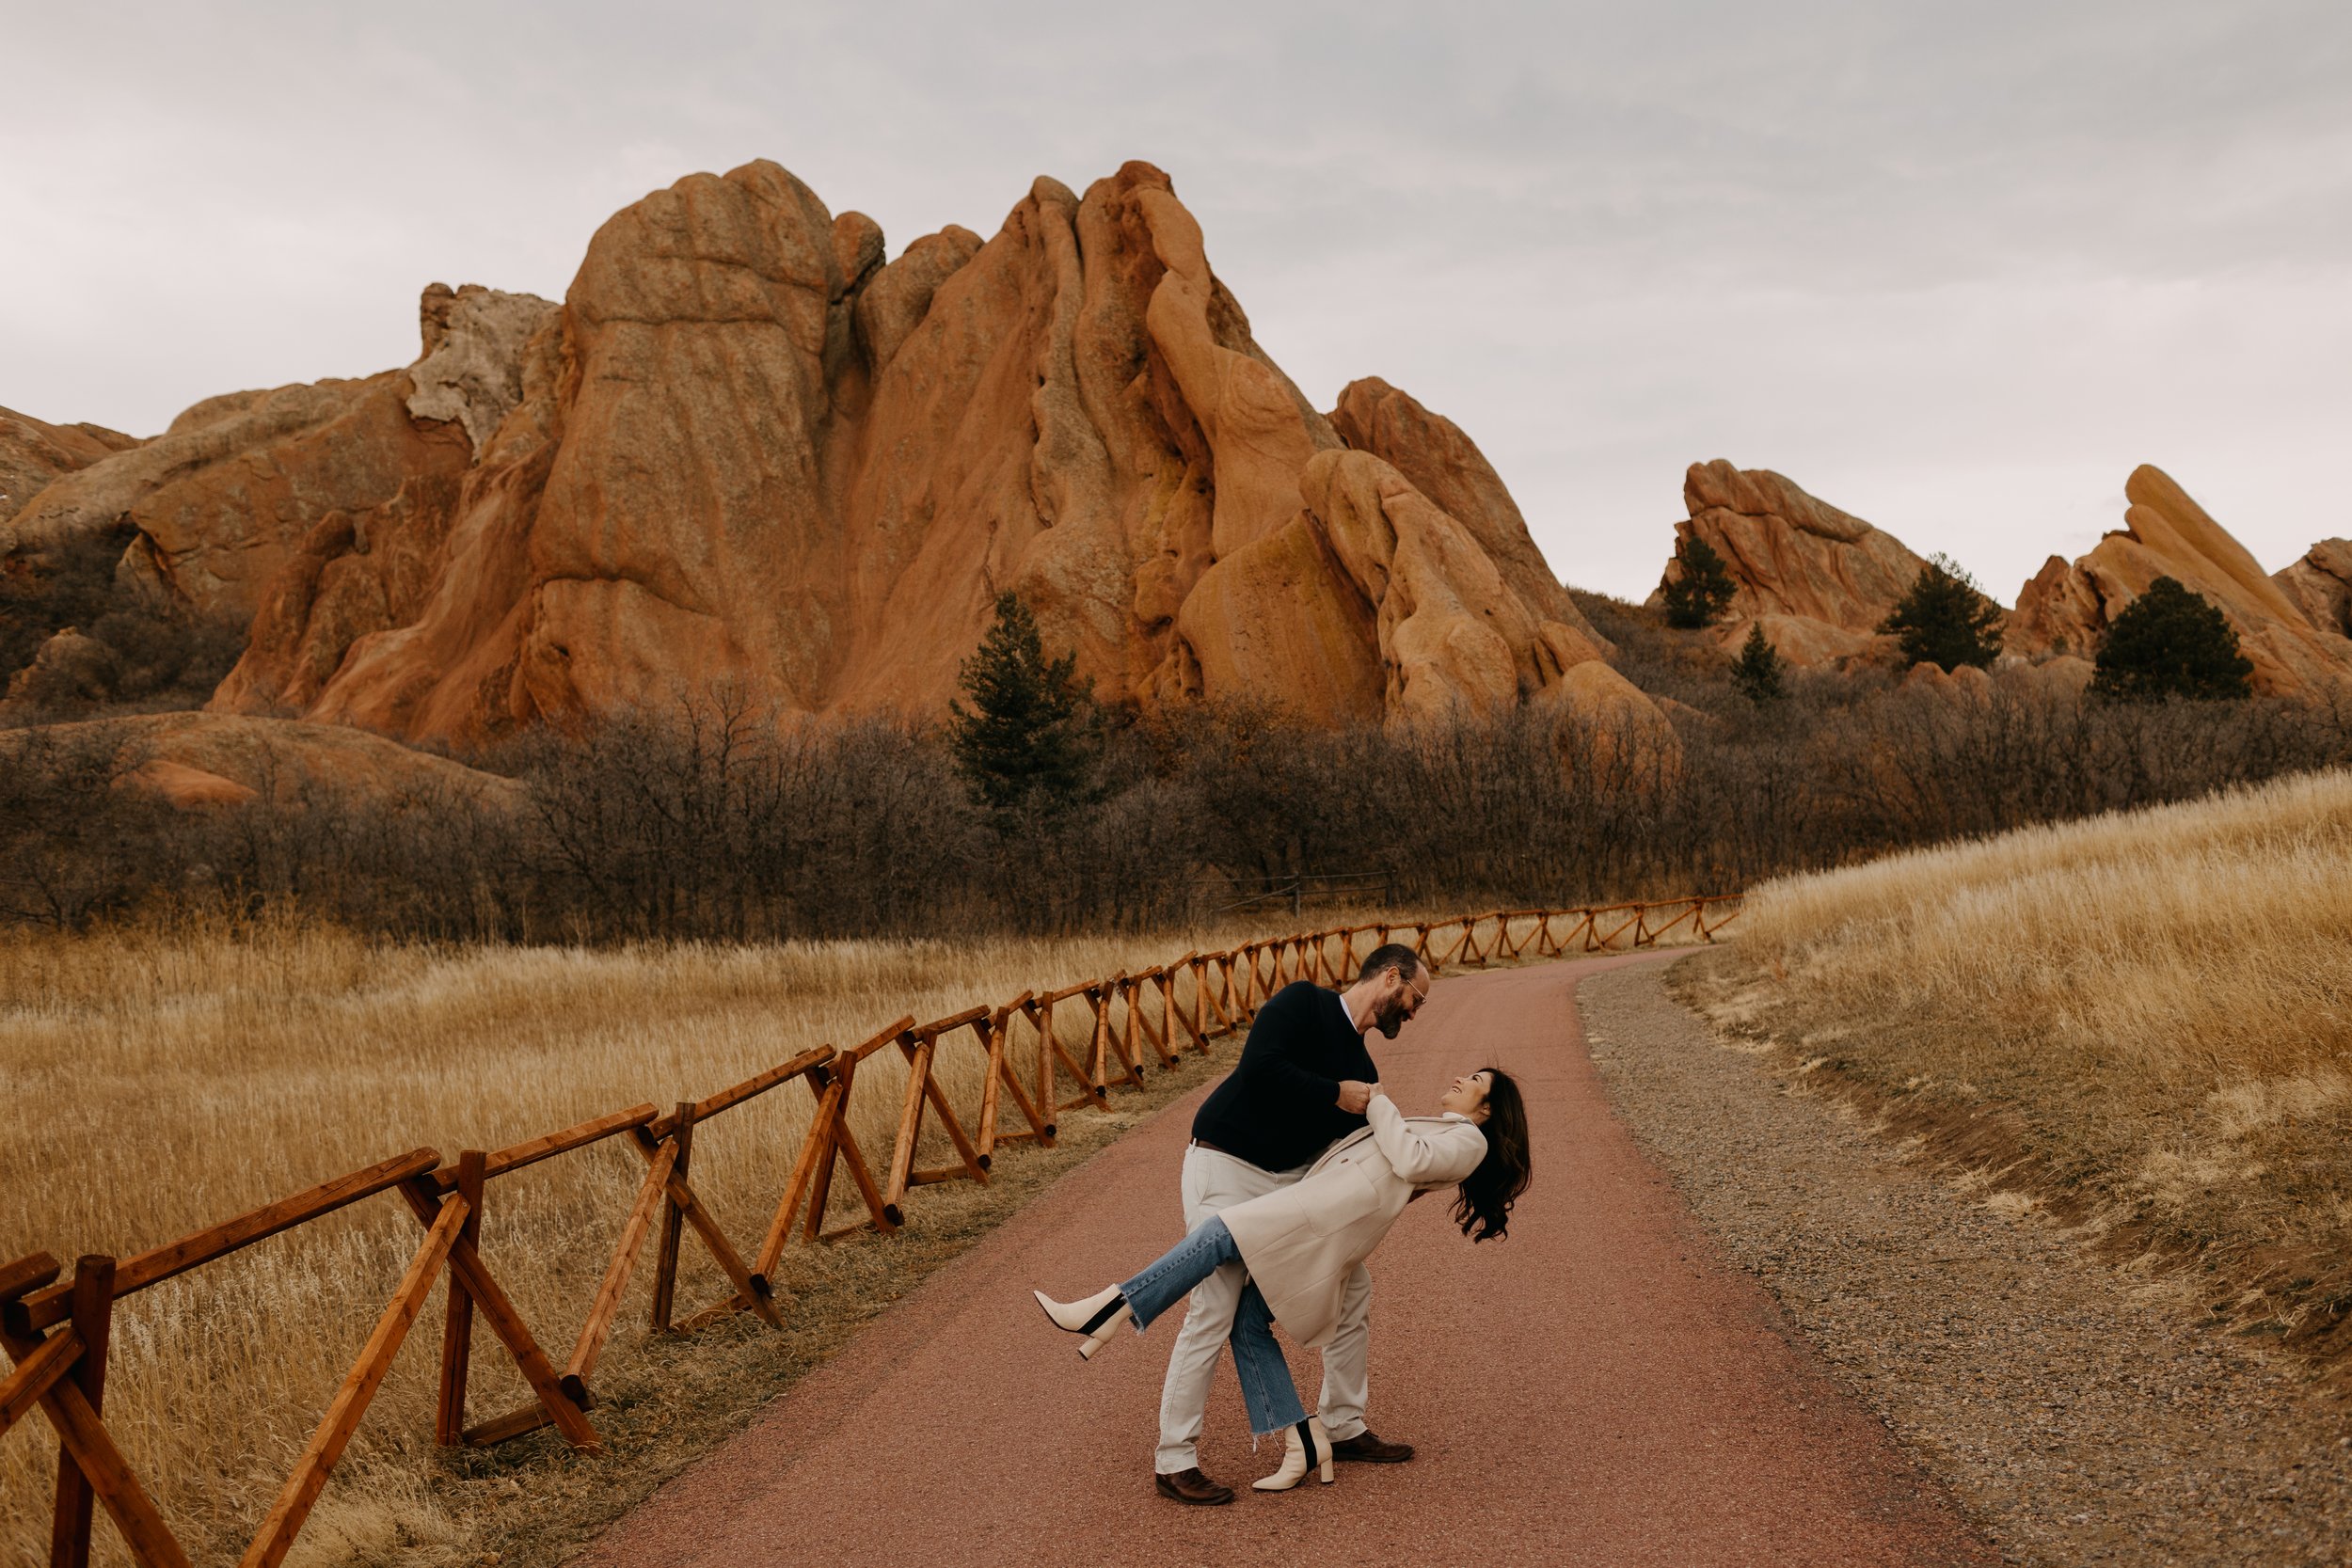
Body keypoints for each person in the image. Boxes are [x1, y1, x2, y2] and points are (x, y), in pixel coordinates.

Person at [1033, 1068, 1532, 1491]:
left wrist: (1379, 1103)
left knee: (1218, 1235)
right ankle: (1303, 1441)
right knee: (1247, 1322)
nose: (1461, 1078)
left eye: (1474, 1081)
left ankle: (1111, 1308)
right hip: (1323, 1214)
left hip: (1318, 1217)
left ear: (1486, 1110)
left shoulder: (1469, 1140)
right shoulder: (1451, 1131)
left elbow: (1408, 1159)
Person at [1144, 943, 1431, 1506]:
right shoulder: (1304, 1003)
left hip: (1287, 1184)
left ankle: (1344, 1426)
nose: (1414, 1012)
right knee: (1217, 1304)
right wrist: (1333, 1094)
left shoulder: (1366, 1071)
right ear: (1391, 977)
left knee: (1354, 1286)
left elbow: (1355, 1158)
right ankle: (1174, 1458)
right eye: (1416, 998)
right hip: (1225, 1160)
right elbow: (1261, 1068)